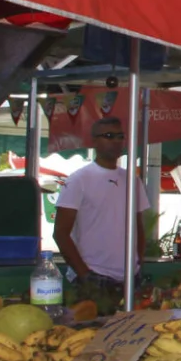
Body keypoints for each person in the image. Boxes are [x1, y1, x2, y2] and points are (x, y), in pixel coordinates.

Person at [54, 116, 147, 316]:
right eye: (108, 136)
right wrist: (85, 275)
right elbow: (61, 233)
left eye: (120, 136)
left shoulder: (132, 180)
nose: (115, 141)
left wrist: (138, 262)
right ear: (94, 141)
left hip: (130, 279)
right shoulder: (79, 180)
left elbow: (139, 226)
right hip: (94, 277)